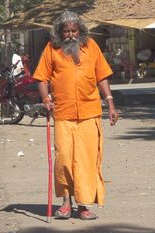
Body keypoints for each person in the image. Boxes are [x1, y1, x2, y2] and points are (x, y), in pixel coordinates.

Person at [33, 10, 119, 220]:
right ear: (59, 33)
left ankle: (83, 205)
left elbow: (102, 76)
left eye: (74, 30)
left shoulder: (91, 47)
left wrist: (110, 103)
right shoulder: (52, 49)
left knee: (86, 160)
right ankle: (65, 202)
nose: (71, 35)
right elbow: (42, 79)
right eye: (67, 31)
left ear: (80, 31)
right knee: (64, 159)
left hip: (90, 112)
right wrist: (46, 99)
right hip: (63, 113)